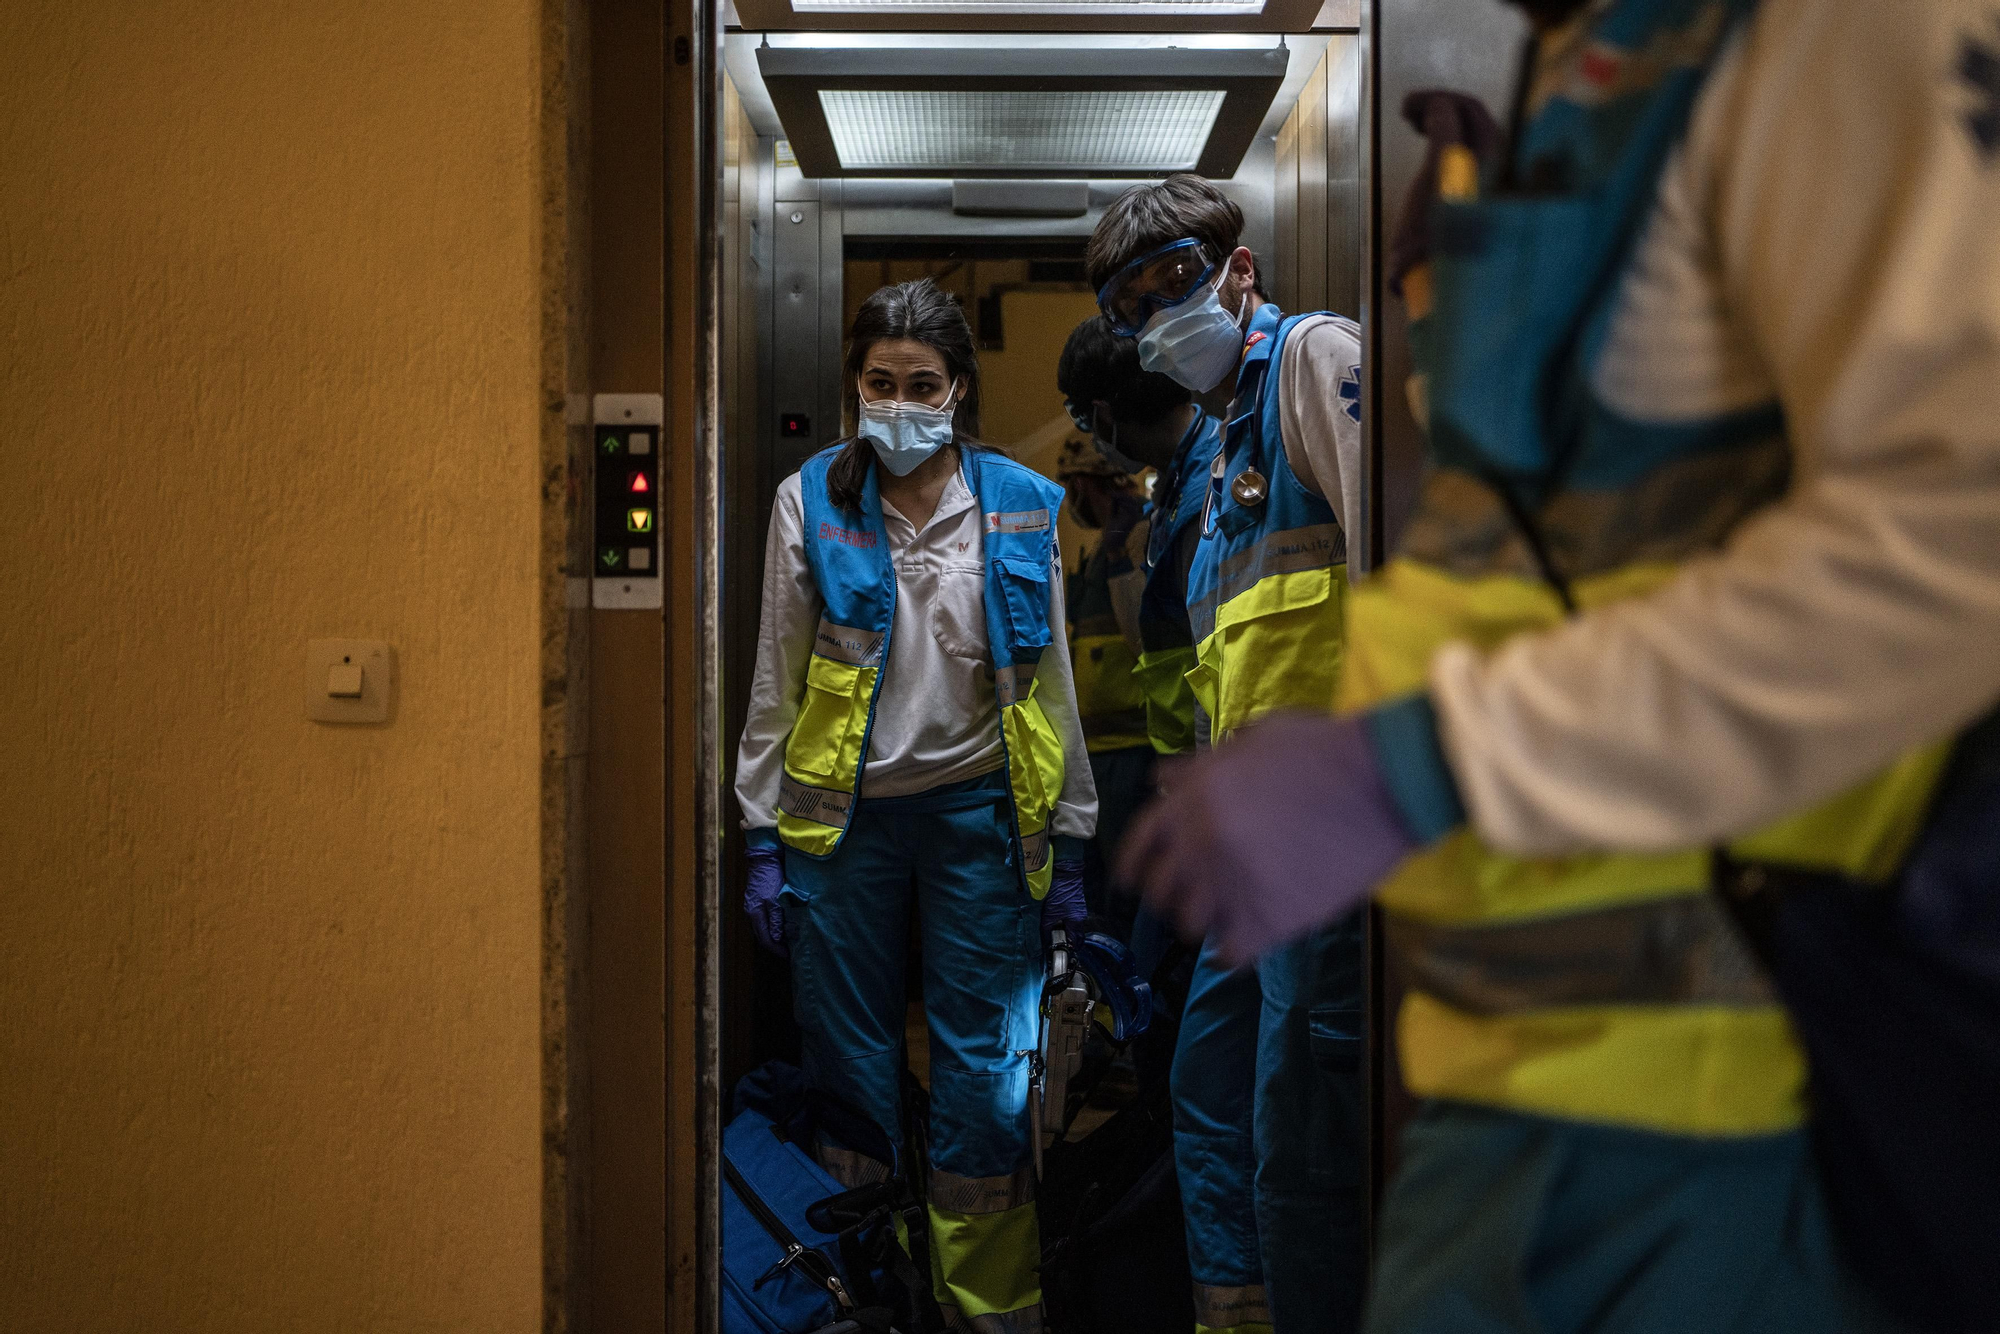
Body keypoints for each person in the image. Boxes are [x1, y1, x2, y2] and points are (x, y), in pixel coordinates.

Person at [1123, 1, 2000, 1331]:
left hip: (1719, 1053)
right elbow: (1589, 528)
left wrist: (1418, 762)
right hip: (1523, 1031)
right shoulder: (1607, 59)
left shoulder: (1832, 33)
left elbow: (1953, 538)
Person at [733, 278, 1097, 1334]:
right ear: (854, 386)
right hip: (841, 829)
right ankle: (862, 1296)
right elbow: (775, 671)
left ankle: (988, 1312)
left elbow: (1055, 677)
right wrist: (761, 833)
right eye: (879, 382)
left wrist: (1069, 841)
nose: (898, 402)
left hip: (979, 813)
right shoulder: (812, 496)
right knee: (846, 1067)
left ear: (958, 390)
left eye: (920, 384)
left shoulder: (1020, 498)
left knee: (988, 1070)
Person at [1087, 175, 1368, 1334]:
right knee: (1226, 1104)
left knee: (1308, 1141)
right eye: (1133, 306)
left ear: (1235, 268)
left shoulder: (1313, 362)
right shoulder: (1209, 462)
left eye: (1177, 283)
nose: (1162, 317)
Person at [1054, 433, 1152, 934]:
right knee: (1100, 888)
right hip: (1097, 747)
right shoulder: (1102, 546)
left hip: (1132, 746)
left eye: (1074, 487)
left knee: (1126, 891)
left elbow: (1141, 631)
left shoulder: (1137, 535)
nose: (1072, 500)